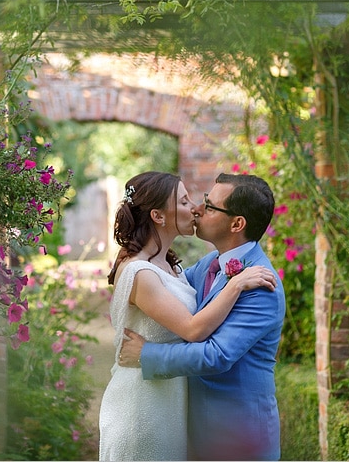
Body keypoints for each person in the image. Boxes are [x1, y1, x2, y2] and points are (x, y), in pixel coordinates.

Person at [98, 171, 276, 461]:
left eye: (209, 204)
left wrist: (147, 354)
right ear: (158, 216)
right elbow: (192, 327)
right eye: (186, 201)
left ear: (237, 223)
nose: (197, 208)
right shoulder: (203, 267)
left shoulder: (260, 284)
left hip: (235, 434)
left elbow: (216, 355)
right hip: (144, 405)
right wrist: (236, 283)